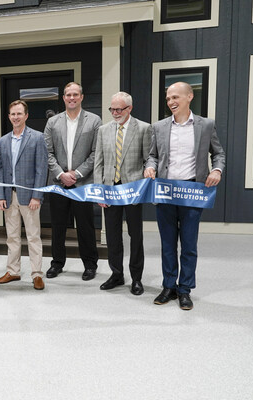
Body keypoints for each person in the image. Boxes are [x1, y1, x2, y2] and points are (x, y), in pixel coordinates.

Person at [144, 81, 225, 310]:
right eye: (168, 98)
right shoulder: (158, 127)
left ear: (189, 97)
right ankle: (169, 286)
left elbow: (218, 153)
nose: (171, 102)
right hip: (166, 192)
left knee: (189, 244)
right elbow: (153, 156)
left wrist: (217, 170)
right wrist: (150, 167)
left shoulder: (206, 125)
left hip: (191, 192)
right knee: (167, 244)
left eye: (175, 97)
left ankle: (185, 289)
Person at [94, 92, 151, 296]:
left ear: (129, 108)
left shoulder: (144, 128)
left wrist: (147, 176)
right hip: (110, 190)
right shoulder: (103, 130)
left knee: (135, 235)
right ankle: (116, 274)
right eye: (112, 109)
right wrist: (99, 190)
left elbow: (149, 159)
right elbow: (98, 162)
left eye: (119, 109)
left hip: (133, 191)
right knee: (112, 234)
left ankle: (136, 278)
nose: (115, 113)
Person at [44, 82, 101, 281]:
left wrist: (76, 174)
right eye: (68, 94)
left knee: (85, 226)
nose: (71, 98)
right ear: (64, 97)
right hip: (59, 183)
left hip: (82, 184)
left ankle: (90, 265)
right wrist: (61, 174)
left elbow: (96, 153)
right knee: (58, 226)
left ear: (82, 97)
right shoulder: (53, 122)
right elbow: (48, 153)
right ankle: (57, 263)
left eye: (75, 94)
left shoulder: (94, 121)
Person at [0, 100, 48, 290]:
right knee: (12, 236)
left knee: (33, 236)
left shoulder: (37, 138)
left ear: (26, 116)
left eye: (19, 114)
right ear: (9, 117)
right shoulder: (3, 141)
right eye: (12, 114)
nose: (15, 117)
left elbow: (42, 170)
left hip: (30, 196)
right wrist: (0, 195)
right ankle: (13, 271)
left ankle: (36, 274)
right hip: (10, 197)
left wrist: (37, 196)